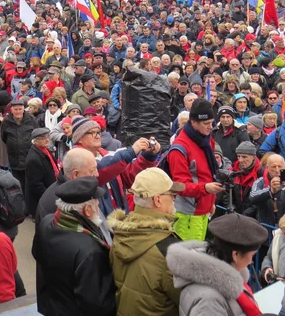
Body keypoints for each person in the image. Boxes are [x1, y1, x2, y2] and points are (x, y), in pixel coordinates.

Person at [32, 177, 116, 316]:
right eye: (96, 202)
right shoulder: (90, 250)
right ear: (88, 210)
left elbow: (36, 253)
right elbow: (96, 304)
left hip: (52, 306)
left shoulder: (47, 222)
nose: (98, 204)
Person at [108, 168, 184, 316]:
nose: (174, 198)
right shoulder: (167, 249)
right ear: (157, 200)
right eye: (172, 195)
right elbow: (186, 299)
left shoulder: (121, 232)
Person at [166, 213, 268, 316]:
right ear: (236, 255)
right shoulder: (208, 302)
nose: (251, 261)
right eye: (252, 255)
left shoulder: (228, 278)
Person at [70, 115, 160, 216]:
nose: (97, 136)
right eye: (92, 133)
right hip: (97, 218)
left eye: (98, 132)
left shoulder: (107, 155)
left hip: (118, 217)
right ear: (80, 138)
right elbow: (100, 172)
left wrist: (148, 156)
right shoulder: (76, 158)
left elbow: (129, 176)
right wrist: (131, 152)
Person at [165, 99, 225, 241]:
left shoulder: (204, 138)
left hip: (203, 210)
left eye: (212, 123)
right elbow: (180, 186)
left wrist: (211, 202)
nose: (211, 127)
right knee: (188, 260)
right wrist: (206, 189)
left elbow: (208, 174)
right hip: (188, 215)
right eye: (206, 124)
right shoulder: (180, 149)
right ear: (193, 122)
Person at [249, 154, 285, 234]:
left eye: (279, 166)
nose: (277, 170)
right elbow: (252, 198)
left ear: (284, 166)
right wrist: (270, 191)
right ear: (267, 167)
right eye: (273, 167)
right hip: (265, 228)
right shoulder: (260, 181)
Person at [0, 100, 38, 195]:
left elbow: (37, 135)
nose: (18, 112)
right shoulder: (6, 121)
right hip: (14, 159)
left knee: (30, 186)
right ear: (11, 110)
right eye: (15, 109)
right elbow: (4, 137)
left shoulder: (31, 119)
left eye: (20, 109)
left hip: (29, 159)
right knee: (18, 186)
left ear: (23, 109)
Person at [24, 128, 59, 218]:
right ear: (35, 141)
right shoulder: (33, 159)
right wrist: (49, 197)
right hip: (42, 201)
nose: (47, 139)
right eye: (43, 138)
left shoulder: (44, 150)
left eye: (47, 137)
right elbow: (36, 185)